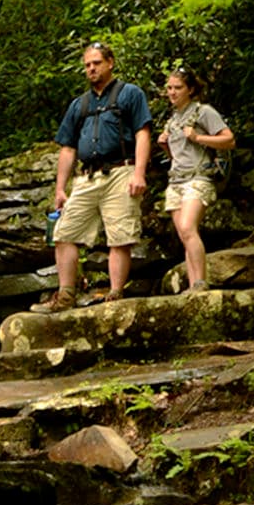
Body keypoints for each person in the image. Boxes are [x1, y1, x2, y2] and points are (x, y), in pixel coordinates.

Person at [30, 42, 153, 313]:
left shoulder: (130, 94)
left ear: (110, 62)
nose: (91, 69)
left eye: (96, 63)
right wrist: (60, 189)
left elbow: (143, 133)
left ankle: (115, 295)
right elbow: (68, 148)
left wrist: (139, 173)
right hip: (87, 177)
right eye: (87, 65)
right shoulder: (79, 104)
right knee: (64, 233)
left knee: (119, 236)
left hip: (121, 171)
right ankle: (65, 296)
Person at [156, 67, 236, 294]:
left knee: (187, 227)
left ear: (190, 89)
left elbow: (229, 140)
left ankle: (201, 282)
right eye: (170, 88)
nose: (172, 92)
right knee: (184, 234)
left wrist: (198, 136)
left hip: (199, 178)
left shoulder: (203, 112)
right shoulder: (173, 119)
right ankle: (193, 285)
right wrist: (165, 146)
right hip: (176, 180)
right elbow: (180, 156)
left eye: (178, 88)